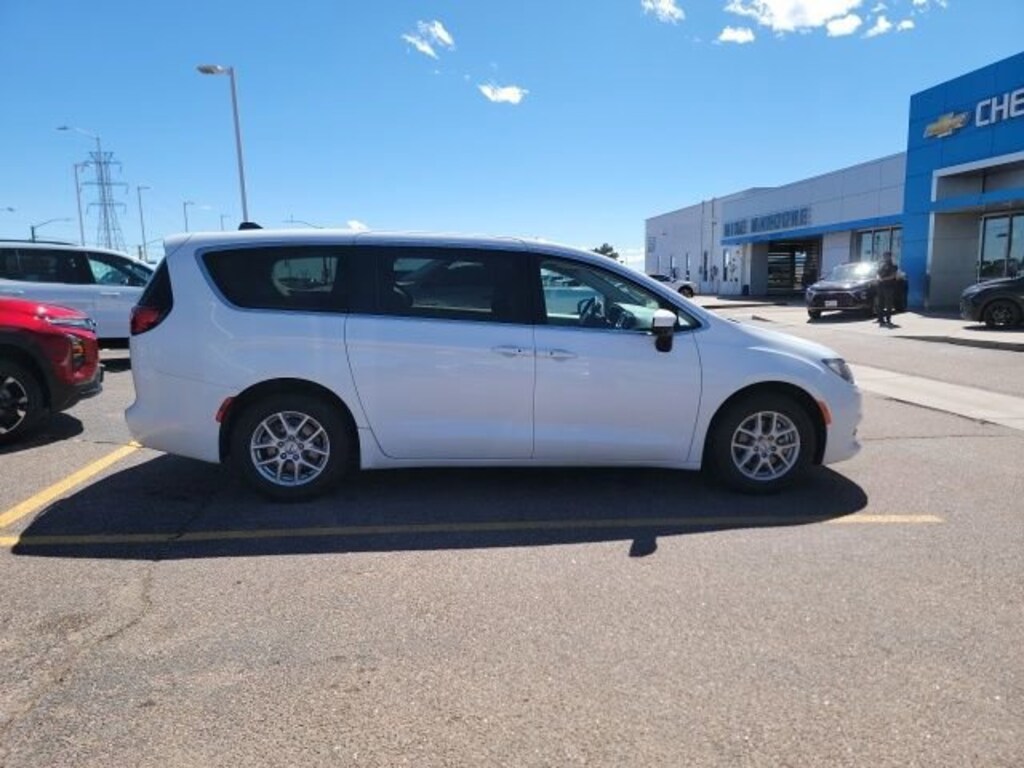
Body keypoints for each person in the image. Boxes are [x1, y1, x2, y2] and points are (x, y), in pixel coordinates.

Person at [876, 251, 899, 327]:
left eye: (886, 256)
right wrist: (879, 278)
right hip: (881, 286)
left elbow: (893, 276)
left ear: (890, 257)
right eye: (884, 256)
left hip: (889, 287)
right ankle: (880, 319)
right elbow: (877, 274)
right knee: (880, 304)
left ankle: (888, 319)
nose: (885, 258)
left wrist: (884, 279)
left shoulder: (893, 265)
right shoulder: (881, 265)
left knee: (888, 305)